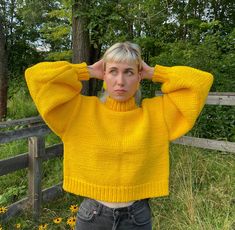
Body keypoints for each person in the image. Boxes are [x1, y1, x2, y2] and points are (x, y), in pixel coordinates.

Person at [25, 41, 214, 230]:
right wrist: (88, 70)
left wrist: (155, 73)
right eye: (113, 71)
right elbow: (36, 77)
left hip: (137, 217)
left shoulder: (157, 114)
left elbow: (200, 82)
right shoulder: (79, 111)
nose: (120, 81)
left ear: (139, 77)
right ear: (104, 75)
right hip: (92, 217)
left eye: (129, 72)